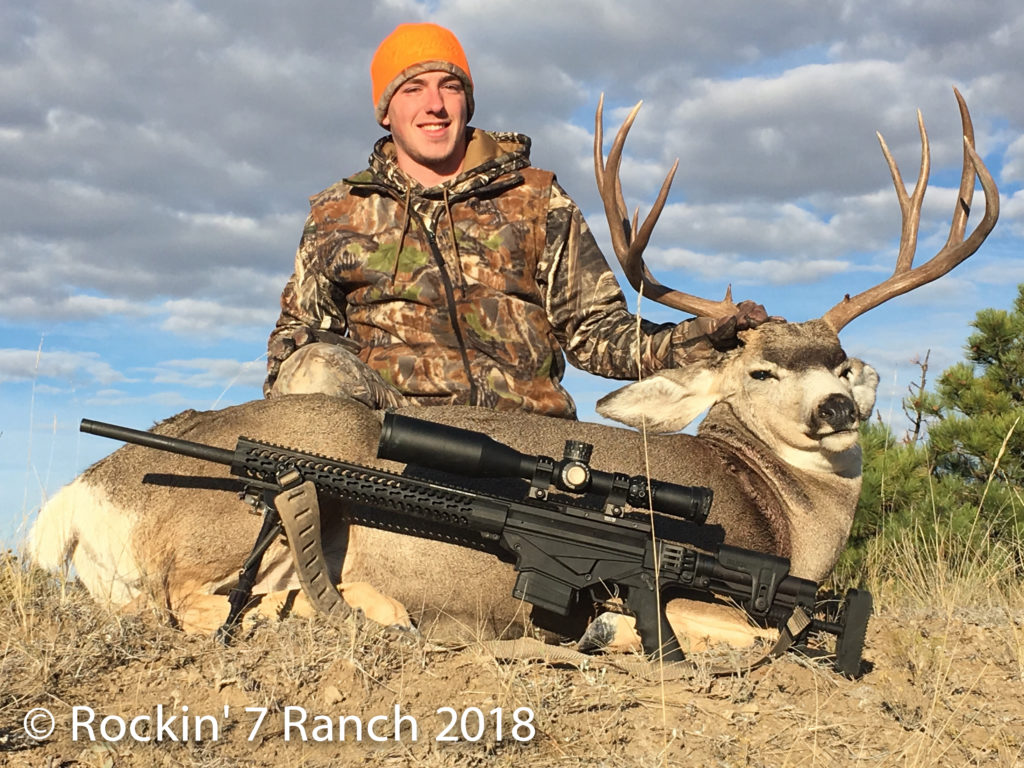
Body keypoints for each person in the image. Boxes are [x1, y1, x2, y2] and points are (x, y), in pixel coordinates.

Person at [264, 22, 766, 418]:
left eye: (449, 87)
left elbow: (595, 333)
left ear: (467, 101)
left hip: (523, 438)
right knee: (310, 373)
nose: (434, 105)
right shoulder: (337, 212)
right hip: (394, 434)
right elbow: (299, 337)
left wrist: (703, 336)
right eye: (413, 88)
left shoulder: (536, 197)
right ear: (385, 111)